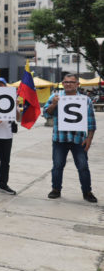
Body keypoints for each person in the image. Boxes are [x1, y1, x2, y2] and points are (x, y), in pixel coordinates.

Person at [43, 74, 97, 202]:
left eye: (71, 82)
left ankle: (87, 191)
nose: (68, 84)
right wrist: (54, 104)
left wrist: (89, 139)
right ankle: (56, 189)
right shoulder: (55, 97)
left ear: (77, 84)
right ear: (62, 83)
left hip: (78, 140)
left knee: (83, 166)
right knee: (57, 166)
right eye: (66, 82)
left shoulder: (85, 100)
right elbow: (46, 113)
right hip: (59, 139)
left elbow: (91, 122)